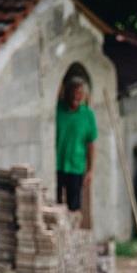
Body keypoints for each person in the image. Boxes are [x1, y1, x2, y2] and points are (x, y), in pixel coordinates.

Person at [55, 76, 97, 211]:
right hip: (56, 166)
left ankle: (72, 231)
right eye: (73, 92)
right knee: (55, 205)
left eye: (79, 93)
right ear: (67, 93)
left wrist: (90, 170)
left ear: (83, 95)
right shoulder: (57, 110)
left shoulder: (87, 115)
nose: (76, 96)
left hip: (76, 167)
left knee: (73, 207)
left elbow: (91, 144)